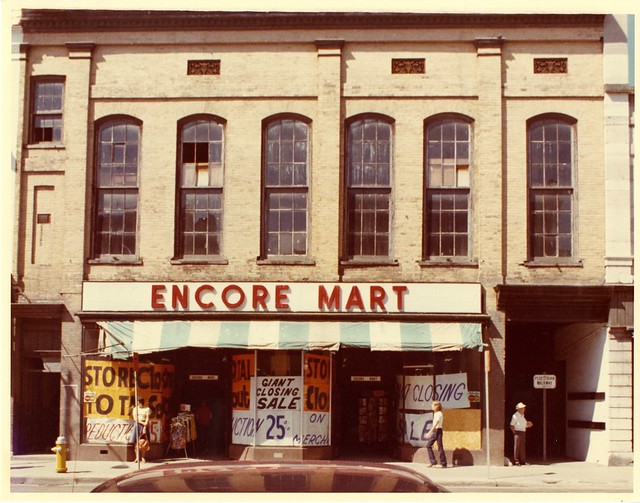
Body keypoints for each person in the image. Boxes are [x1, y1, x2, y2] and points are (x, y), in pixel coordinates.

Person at [425, 401, 447, 468]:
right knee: (429, 445)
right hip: (436, 431)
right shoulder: (436, 413)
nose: (431, 406)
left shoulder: (439, 414)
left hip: (437, 431)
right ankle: (433, 461)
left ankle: (443, 463)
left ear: (436, 406)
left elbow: (435, 424)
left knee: (437, 447)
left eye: (433, 405)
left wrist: (429, 432)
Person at [510, 402, 533, 466]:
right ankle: (516, 461)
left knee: (522, 447)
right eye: (523, 408)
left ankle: (523, 461)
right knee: (517, 447)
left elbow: (523, 424)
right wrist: (515, 433)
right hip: (517, 432)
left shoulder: (522, 415)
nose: (524, 409)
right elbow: (511, 425)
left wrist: (528, 425)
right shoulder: (515, 416)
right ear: (519, 409)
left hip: (523, 432)